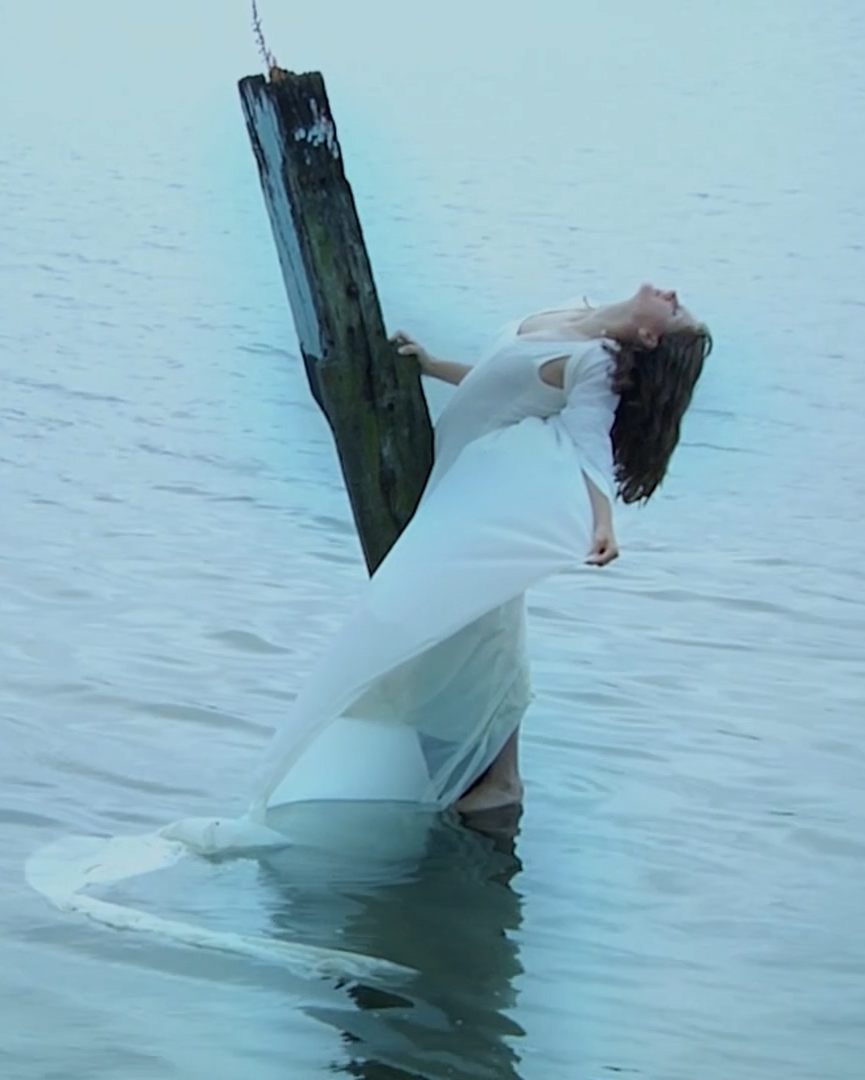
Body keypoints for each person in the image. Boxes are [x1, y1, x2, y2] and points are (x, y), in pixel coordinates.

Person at [249, 284, 713, 817]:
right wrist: (433, 366)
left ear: (650, 335)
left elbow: (590, 444)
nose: (671, 293)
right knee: (472, 619)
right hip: (457, 472)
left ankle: (503, 778)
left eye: (675, 309)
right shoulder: (573, 309)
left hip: (480, 489)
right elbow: (499, 382)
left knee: (482, 620)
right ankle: (476, 766)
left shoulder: (596, 363)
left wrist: (602, 521)